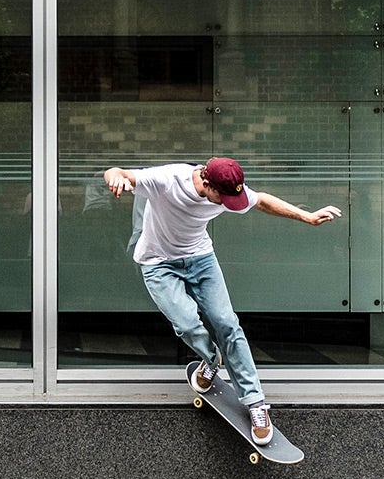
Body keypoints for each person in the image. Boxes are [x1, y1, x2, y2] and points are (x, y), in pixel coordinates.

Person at [101, 157, 341, 445]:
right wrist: (115, 178)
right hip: (158, 263)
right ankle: (211, 359)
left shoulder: (227, 188)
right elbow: (116, 172)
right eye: (223, 198)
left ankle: (255, 404)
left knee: (228, 324)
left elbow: (262, 201)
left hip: (201, 259)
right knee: (188, 325)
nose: (227, 204)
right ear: (206, 182)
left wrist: (307, 217)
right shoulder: (168, 179)